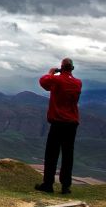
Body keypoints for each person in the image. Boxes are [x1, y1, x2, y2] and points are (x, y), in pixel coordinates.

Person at [35, 58, 82, 195]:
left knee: (51, 154)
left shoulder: (57, 80)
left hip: (58, 122)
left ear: (61, 68)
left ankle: (48, 184)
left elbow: (43, 82)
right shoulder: (78, 83)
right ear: (72, 68)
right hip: (72, 123)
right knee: (68, 155)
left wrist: (51, 72)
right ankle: (65, 187)